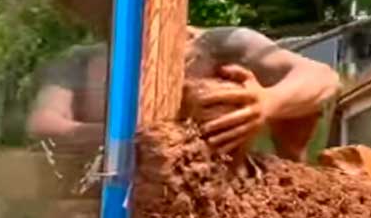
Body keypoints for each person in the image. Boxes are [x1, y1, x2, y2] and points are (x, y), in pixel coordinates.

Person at [27, 26, 340, 159]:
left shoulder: (220, 47)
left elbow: (323, 79)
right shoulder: (81, 60)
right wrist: (148, 137)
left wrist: (267, 103)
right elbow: (43, 125)